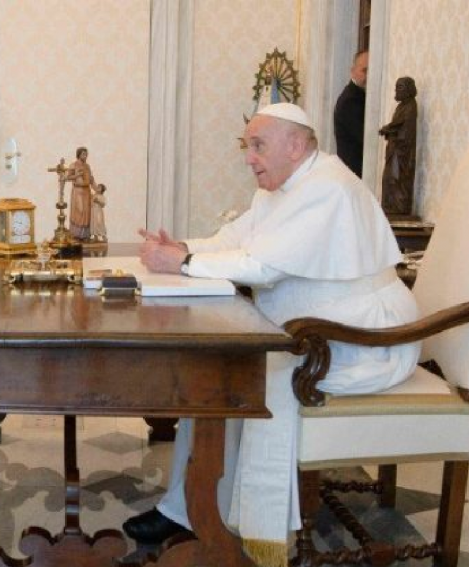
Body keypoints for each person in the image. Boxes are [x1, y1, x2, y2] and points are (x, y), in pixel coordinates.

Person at [125, 103, 420, 566]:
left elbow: (261, 267)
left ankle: (210, 515)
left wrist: (182, 264)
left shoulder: (328, 188)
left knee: (235, 379)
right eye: (248, 146)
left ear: (295, 145)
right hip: (318, 332)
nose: (249, 157)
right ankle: (189, 508)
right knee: (213, 375)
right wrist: (181, 248)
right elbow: (234, 239)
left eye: (258, 146)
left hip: (364, 340)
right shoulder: (280, 187)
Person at [379, 76, 418, 216]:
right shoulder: (401, 106)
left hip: (401, 152)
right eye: (396, 87)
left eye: (400, 87)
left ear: (409, 89)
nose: (396, 90)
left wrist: (388, 129)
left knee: (396, 179)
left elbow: (402, 127)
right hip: (394, 150)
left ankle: (398, 208)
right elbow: (396, 125)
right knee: (388, 179)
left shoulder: (411, 106)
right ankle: (389, 206)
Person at [333, 50, 368, 177]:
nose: (368, 76)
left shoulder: (360, 95)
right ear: (353, 71)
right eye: (364, 70)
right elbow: (366, 139)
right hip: (354, 175)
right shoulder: (350, 100)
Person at [66, 146, 95, 240]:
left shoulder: (87, 166)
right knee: (80, 211)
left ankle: (85, 235)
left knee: (87, 212)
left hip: (86, 191)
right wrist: (77, 175)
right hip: (78, 191)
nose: (85, 156)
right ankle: (76, 234)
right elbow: (67, 177)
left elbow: (91, 179)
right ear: (78, 154)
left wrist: (97, 189)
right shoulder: (73, 165)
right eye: (83, 154)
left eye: (86, 154)